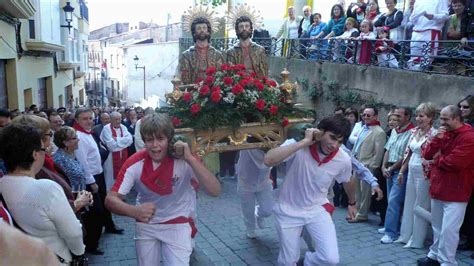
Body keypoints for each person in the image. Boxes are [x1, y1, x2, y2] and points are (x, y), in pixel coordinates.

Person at [105, 113, 221, 265]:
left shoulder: (185, 159)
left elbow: (215, 190)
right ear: (143, 141)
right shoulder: (134, 163)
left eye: (160, 139)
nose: (154, 145)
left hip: (177, 224)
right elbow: (110, 199)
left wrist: (191, 159)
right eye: (149, 140)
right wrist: (133, 211)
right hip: (146, 225)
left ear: (170, 139)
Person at [264, 115, 356, 265]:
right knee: (287, 261)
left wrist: (352, 203)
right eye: (332, 138)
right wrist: (305, 142)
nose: (334, 145)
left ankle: (308, 261)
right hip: (288, 210)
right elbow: (268, 160)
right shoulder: (297, 145)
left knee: (330, 259)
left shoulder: (343, 159)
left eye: (339, 141)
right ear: (320, 132)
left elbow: (347, 180)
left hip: (317, 210)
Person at [0, 124, 85, 264]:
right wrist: (79, 253)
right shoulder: (46, 188)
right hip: (54, 259)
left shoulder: (3, 184)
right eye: (43, 149)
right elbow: (73, 232)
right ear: (34, 154)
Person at [418, 105, 474, 266]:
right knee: (437, 226)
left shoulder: (469, 137)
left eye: (445, 119)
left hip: (457, 190)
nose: (441, 122)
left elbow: (455, 163)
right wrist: (436, 141)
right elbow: (427, 153)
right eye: (440, 118)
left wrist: (436, 160)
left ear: (456, 119)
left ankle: (447, 262)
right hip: (439, 186)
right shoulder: (444, 133)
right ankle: (434, 255)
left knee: (449, 230)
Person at [397, 102, 437, 248]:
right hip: (411, 170)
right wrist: (401, 171)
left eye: (422, 116)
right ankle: (405, 235)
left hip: (425, 173)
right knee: (409, 202)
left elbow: (436, 156)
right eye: (417, 115)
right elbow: (407, 153)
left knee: (420, 205)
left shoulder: (435, 134)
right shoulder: (414, 132)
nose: (419, 119)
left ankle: (417, 240)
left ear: (430, 117)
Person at [73, 108, 106, 254]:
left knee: (100, 210)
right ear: (77, 120)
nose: (89, 121)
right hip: (90, 179)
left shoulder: (88, 133)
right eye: (85, 118)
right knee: (95, 213)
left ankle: (93, 241)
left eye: (90, 118)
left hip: (98, 175)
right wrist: (92, 182)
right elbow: (83, 163)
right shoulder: (78, 136)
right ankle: (91, 244)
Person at [380, 106, 415, 243]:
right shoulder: (395, 130)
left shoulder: (412, 132)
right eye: (395, 115)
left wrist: (392, 167)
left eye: (399, 116)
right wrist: (383, 166)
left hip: (400, 170)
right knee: (391, 200)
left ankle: (391, 233)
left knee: (394, 201)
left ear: (407, 117)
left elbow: (407, 155)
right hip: (389, 168)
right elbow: (388, 149)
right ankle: (390, 226)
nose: (396, 118)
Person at [349, 106, 387, 223]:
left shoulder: (379, 132)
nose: (365, 117)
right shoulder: (362, 128)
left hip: (367, 166)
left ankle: (362, 215)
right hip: (357, 163)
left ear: (375, 116)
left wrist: (372, 167)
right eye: (364, 115)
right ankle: (357, 212)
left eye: (368, 115)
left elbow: (378, 152)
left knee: (365, 193)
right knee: (357, 191)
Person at [235, 147, 273, 239]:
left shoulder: (271, 146)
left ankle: (259, 214)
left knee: (267, 210)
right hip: (246, 182)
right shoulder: (246, 145)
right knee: (248, 210)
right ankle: (250, 228)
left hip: (264, 182)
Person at [177, 15, 224, 84]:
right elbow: (182, 78)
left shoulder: (217, 55)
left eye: (204, 28)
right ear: (194, 32)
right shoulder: (186, 55)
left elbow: (221, 77)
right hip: (191, 91)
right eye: (199, 28)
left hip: (212, 91)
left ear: (208, 31)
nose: (202, 30)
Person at [409, 0, 449, 67]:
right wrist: (413, 17)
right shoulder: (418, 1)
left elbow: (445, 16)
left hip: (430, 32)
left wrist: (433, 16)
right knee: (413, 60)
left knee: (426, 61)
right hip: (416, 32)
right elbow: (413, 18)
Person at [100, 111, 133, 191]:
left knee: (122, 177)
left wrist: (116, 139)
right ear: (111, 120)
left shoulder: (123, 127)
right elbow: (111, 147)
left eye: (119, 119)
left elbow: (130, 140)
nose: (118, 121)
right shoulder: (106, 129)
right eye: (116, 119)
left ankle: (120, 195)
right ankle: (110, 196)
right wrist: (123, 143)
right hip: (110, 159)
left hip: (123, 157)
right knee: (110, 179)